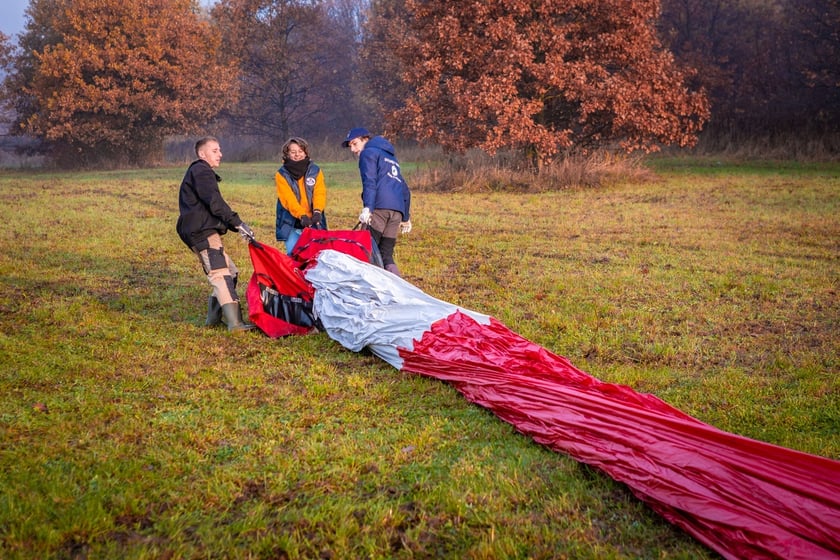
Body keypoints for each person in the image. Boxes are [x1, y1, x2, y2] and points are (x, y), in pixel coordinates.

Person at [176, 136, 256, 332]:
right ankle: (235, 323)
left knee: (232, 272)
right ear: (202, 154)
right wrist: (238, 223)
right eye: (215, 150)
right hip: (203, 232)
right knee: (220, 275)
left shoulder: (200, 172)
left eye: (220, 150)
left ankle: (213, 318)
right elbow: (214, 201)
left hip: (201, 229)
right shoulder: (201, 170)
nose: (220, 154)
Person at [341, 127, 412, 276]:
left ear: (365, 139)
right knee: (386, 254)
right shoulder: (391, 158)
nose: (353, 149)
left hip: (379, 208)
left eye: (355, 144)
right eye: (350, 146)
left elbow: (370, 182)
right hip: (396, 211)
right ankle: (397, 289)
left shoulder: (368, 153)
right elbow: (404, 189)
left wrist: (368, 208)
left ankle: (371, 292)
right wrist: (406, 217)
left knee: (366, 251)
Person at [275, 137, 328, 255]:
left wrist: (318, 211)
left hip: (314, 220)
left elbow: (319, 192)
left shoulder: (315, 171)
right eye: (293, 152)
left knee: (316, 255)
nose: (297, 155)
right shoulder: (281, 174)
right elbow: (288, 199)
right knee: (294, 255)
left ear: (305, 152)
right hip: (291, 222)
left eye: (300, 151)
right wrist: (301, 215)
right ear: (287, 154)